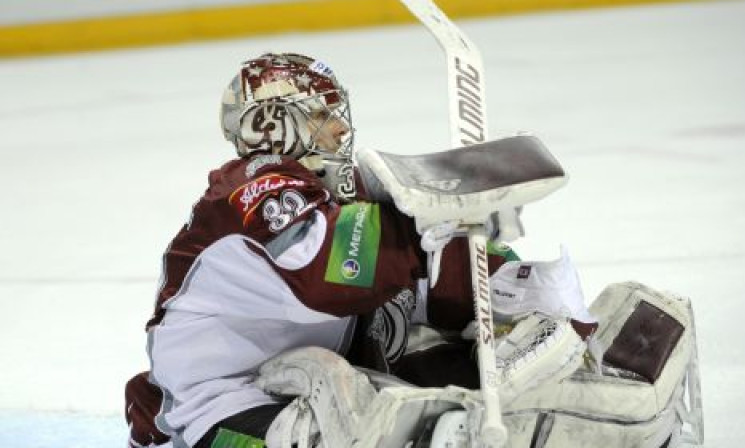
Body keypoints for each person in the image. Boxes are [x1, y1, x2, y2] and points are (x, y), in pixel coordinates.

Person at [123, 52, 529, 448]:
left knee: (436, 356)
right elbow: (332, 271)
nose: (340, 128)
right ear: (272, 124)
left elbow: (423, 273)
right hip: (220, 408)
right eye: (321, 114)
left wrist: (502, 273)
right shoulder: (251, 189)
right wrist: (426, 218)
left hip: (308, 389)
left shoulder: (333, 193)